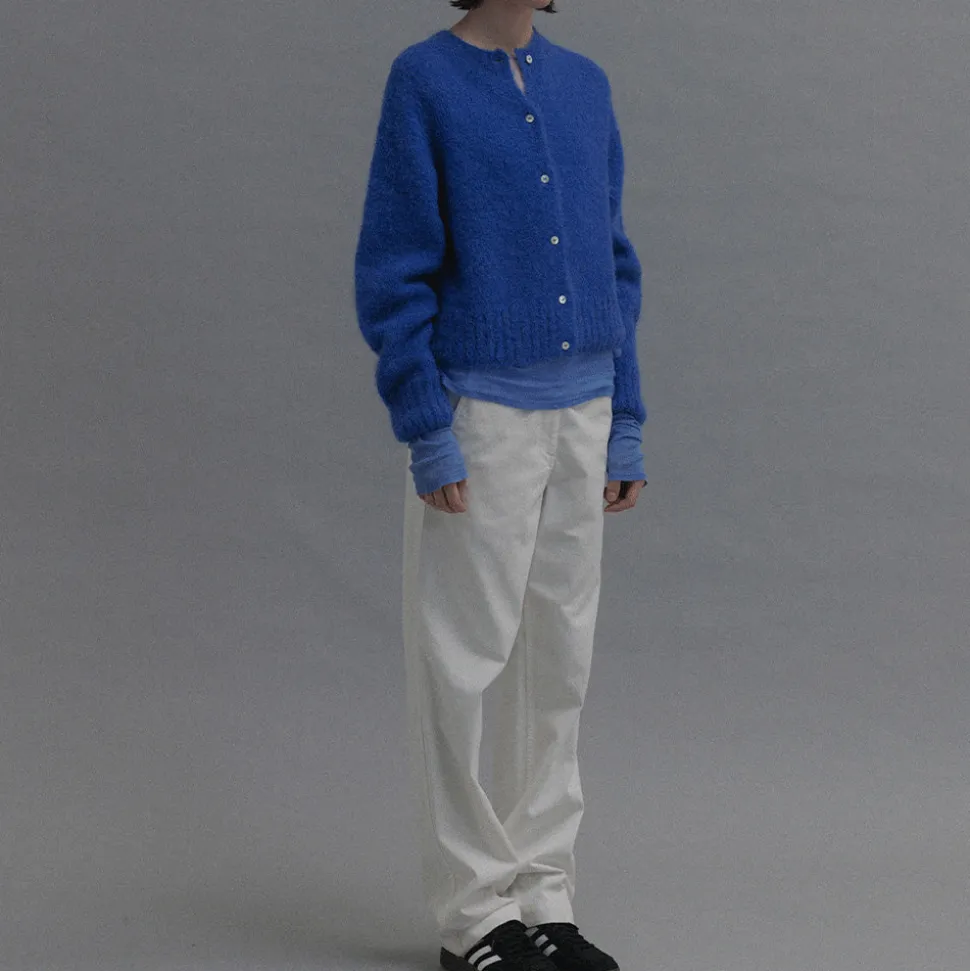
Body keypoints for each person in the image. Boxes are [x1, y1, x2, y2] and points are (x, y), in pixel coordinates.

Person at [355, 1, 646, 968]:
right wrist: (426, 426)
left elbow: (613, 260)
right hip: (483, 416)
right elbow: (394, 266)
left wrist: (626, 418)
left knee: (557, 662)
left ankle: (543, 894)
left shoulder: (585, 85)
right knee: (459, 663)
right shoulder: (425, 81)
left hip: (584, 412)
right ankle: (474, 914)